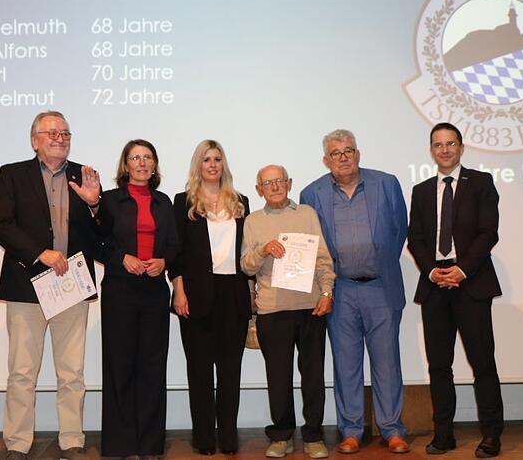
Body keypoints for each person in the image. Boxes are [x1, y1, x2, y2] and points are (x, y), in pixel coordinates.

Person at [0, 111, 101, 460]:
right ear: (34, 140)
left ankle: (72, 440)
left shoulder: (84, 176)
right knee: (22, 371)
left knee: (72, 371)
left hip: (72, 285)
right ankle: (18, 443)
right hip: (27, 285)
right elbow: (2, 225)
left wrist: (96, 204)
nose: (59, 137)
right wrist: (40, 253)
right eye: (51, 132)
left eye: (65, 132)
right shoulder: (12, 174)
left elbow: (104, 236)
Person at [299, 130, 410, 455]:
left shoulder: (386, 183)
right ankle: (351, 431)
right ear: (326, 160)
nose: (344, 157)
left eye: (349, 150)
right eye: (336, 153)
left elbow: (399, 229)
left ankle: (392, 429)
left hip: (380, 287)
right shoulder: (312, 193)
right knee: (345, 364)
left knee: (387, 363)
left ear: (358, 154)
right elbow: (314, 245)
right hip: (341, 291)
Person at [408, 122, 504, 458]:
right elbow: (415, 238)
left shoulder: (480, 183)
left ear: (461, 148)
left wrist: (462, 270)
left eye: (451, 143)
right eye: (438, 144)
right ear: (431, 150)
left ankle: (491, 435)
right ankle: (443, 435)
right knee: (439, 366)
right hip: (435, 286)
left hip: (471, 283)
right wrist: (434, 271)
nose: (444, 150)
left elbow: (487, 233)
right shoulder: (421, 190)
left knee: (482, 363)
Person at [241, 165, 335, 459]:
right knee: (278, 376)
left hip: (310, 308)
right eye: (268, 183)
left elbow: (322, 259)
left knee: (313, 375)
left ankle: (314, 435)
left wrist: (327, 292)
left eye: (280, 180)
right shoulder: (252, 221)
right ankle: (282, 435)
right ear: (259, 189)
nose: (275, 186)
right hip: (272, 310)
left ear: (289, 183)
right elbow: (246, 266)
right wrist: (264, 250)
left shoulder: (307, 214)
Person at [169, 140, 253, 456]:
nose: (213, 164)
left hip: (234, 294)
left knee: (231, 371)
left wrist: (252, 292)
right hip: (196, 295)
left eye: (218, 158)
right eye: (206, 159)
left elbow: (248, 251)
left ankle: (228, 437)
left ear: (224, 164)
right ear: (198, 165)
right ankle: (204, 438)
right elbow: (174, 252)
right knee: (200, 372)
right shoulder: (183, 202)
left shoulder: (241, 201)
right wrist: (179, 290)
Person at [97, 139, 179, 459]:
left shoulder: (164, 201)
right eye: (135, 158)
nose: (142, 163)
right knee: (120, 366)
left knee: (152, 368)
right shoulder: (110, 200)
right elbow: (96, 243)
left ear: (155, 164)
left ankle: (149, 443)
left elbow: (173, 244)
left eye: (148, 157)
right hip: (120, 291)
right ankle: (121, 443)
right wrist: (122, 258)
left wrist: (164, 262)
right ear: (125, 165)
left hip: (154, 292)